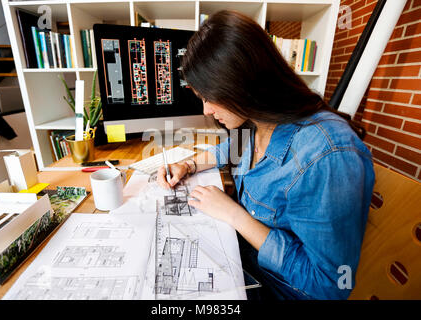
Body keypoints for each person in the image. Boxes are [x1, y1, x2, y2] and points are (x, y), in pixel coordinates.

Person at [157, 10, 375, 300]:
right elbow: (233, 148)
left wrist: (236, 216)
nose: (206, 111)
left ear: (242, 84)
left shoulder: (327, 156)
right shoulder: (258, 119)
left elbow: (331, 286)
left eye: (210, 98)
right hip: (243, 260)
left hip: (279, 289)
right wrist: (189, 164)